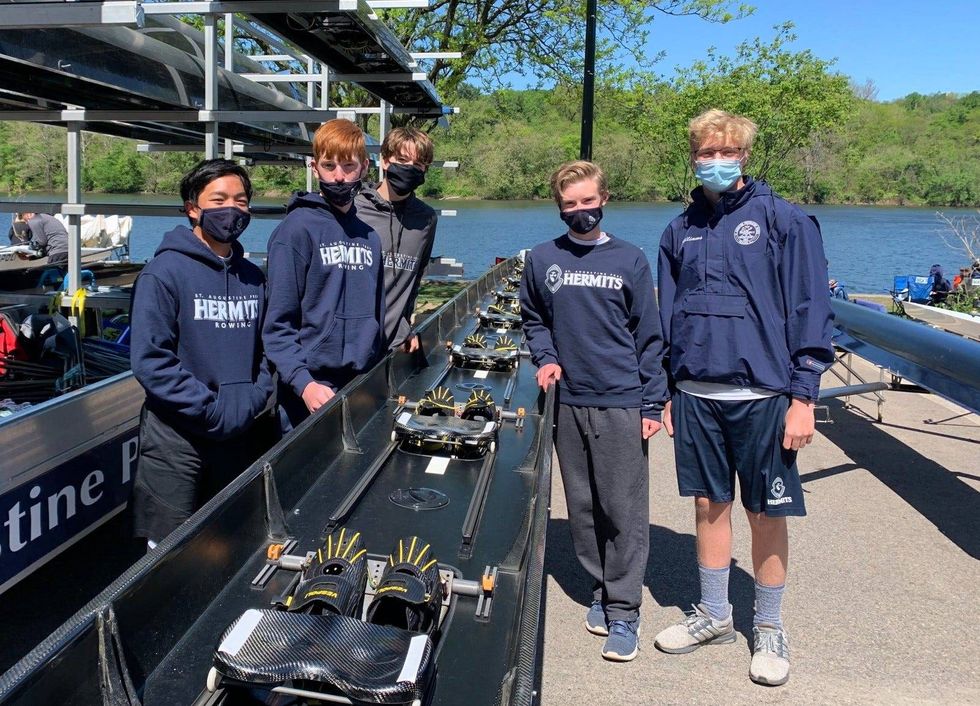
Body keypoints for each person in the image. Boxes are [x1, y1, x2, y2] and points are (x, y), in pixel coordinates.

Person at [654, 110, 834, 686]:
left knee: (765, 512)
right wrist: (666, 390)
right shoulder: (678, 230)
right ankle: (714, 615)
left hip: (764, 395)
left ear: (745, 155)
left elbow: (810, 310)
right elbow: (666, 317)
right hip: (696, 393)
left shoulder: (784, 221)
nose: (714, 159)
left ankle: (771, 626)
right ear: (693, 156)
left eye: (725, 150)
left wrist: (803, 396)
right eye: (705, 151)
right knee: (709, 506)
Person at [520, 160, 667, 662]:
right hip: (570, 401)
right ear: (558, 207)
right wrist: (546, 358)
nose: (579, 211)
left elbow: (650, 337)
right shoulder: (542, 259)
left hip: (621, 400)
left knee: (621, 509)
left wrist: (654, 400)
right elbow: (534, 318)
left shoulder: (630, 259)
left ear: (604, 200)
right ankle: (602, 588)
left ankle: (626, 610)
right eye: (569, 204)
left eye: (587, 201)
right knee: (582, 509)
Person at [130, 158, 275, 548]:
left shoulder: (253, 277)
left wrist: (253, 398)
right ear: (193, 207)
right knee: (166, 553)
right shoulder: (162, 273)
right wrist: (211, 409)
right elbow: (151, 360)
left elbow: (266, 351)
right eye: (219, 199)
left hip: (238, 432)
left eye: (241, 200)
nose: (232, 209)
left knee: (227, 543)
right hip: (176, 441)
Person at [263, 119, 385, 432]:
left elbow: (377, 318)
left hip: (360, 386)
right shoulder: (294, 231)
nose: (339, 175)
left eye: (348, 165)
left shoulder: (370, 237)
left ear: (364, 167)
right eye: (329, 165)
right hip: (308, 392)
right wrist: (304, 384)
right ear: (315, 168)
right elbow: (277, 325)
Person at [354, 127, 438, 353]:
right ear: (384, 161)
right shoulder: (355, 208)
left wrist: (404, 327)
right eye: (402, 160)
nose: (409, 169)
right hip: (352, 343)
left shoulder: (427, 219)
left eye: (418, 165)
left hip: (392, 344)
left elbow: (415, 277)